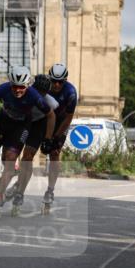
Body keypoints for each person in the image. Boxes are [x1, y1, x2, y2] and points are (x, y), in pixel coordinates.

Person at [0, 66, 55, 213]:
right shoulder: (2, 89)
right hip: (2, 122)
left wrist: (47, 138)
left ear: (27, 85)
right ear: (10, 83)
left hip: (20, 128)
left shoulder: (35, 96)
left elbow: (51, 115)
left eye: (21, 87)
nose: (17, 90)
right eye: (14, 86)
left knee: (9, 161)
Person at [4, 74, 58, 213]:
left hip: (38, 126)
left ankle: (20, 193)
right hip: (23, 122)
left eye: (42, 93)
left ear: (47, 93)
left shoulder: (51, 103)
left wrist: (47, 138)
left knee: (27, 159)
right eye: (37, 91)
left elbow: (52, 118)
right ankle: (18, 182)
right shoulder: (22, 93)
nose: (38, 95)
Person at [42, 62, 79, 207]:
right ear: (49, 79)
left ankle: (50, 190)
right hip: (44, 121)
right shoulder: (44, 87)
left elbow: (69, 118)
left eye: (60, 82)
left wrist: (55, 137)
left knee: (54, 153)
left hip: (61, 123)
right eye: (54, 82)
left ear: (65, 81)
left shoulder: (71, 93)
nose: (56, 85)